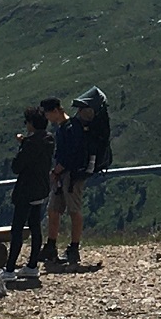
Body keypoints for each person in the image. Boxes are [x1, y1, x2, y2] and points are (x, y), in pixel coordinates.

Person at [45, 94, 98, 267]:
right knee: (53, 209)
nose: (47, 118)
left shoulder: (71, 127)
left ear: (55, 111)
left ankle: (74, 247)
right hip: (62, 175)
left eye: (48, 113)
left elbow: (72, 154)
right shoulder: (64, 127)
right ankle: (51, 245)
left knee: (74, 210)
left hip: (72, 176)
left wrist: (58, 169)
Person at [6, 107, 52, 273]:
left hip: (26, 189)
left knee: (17, 229)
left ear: (31, 123)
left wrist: (23, 146)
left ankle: (10, 269)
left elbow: (17, 166)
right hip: (41, 187)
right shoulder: (49, 139)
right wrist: (25, 142)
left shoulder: (30, 144)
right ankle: (32, 265)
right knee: (35, 226)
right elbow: (37, 150)